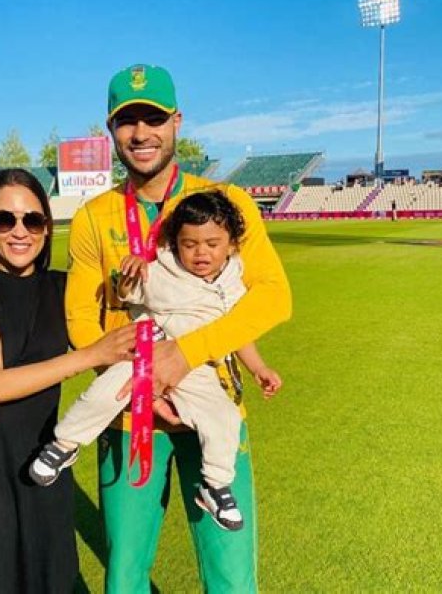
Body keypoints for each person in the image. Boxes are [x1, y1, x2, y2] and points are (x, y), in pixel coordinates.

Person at [64, 64, 292, 592]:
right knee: (125, 575)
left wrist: (185, 355)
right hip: (130, 417)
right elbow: (81, 319)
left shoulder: (225, 204)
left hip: (214, 406)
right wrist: (143, 387)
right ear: (111, 128)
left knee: (232, 577)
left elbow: (273, 295)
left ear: (177, 122)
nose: (141, 133)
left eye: (154, 118)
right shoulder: (94, 217)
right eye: (128, 121)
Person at [0, 168, 135, 593]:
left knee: (50, 577)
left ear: (46, 226)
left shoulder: (62, 287)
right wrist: (90, 356)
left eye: (33, 220)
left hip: (45, 458)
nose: (20, 231)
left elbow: (128, 308)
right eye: (5, 219)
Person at [30, 192, 282, 533]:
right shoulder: (162, 271)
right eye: (189, 244)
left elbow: (236, 333)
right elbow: (128, 292)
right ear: (176, 244)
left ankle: (215, 486)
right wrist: (130, 274)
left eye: (212, 244)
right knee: (108, 391)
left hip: (199, 369)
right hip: (148, 355)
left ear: (231, 244)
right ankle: (64, 444)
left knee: (225, 417)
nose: (201, 253)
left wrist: (259, 368)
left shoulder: (234, 282)